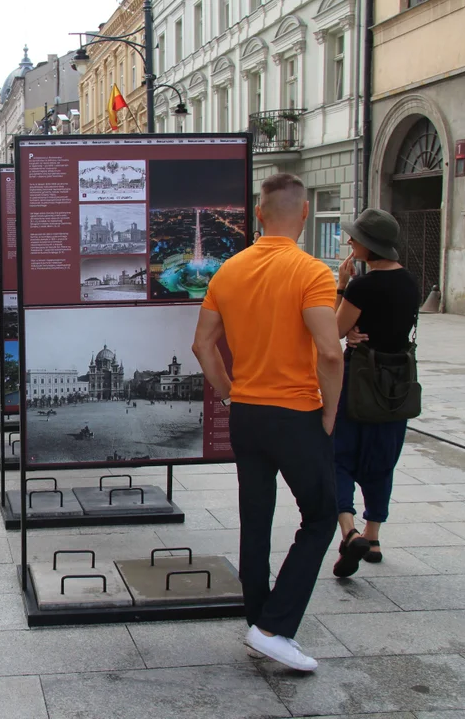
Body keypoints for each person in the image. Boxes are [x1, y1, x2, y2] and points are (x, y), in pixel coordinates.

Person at [192, 173, 342, 672]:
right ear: (303, 214)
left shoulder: (228, 271)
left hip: (247, 414)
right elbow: (329, 352)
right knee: (321, 516)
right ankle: (274, 627)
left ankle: (259, 621)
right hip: (295, 413)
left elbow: (202, 346)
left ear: (259, 214)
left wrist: (230, 392)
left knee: (256, 517)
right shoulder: (312, 271)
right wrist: (330, 411)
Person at [331, 209, 419, 577]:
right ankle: (375, 535)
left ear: (368, 246)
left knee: (339, 455)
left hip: (359, 379)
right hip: (396, 384)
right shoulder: (411, 283)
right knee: (383, 459)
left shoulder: (362, 286)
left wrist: (341, 283)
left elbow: (335, 330)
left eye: (354, 238)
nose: (350, 243)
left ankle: (350, 532)